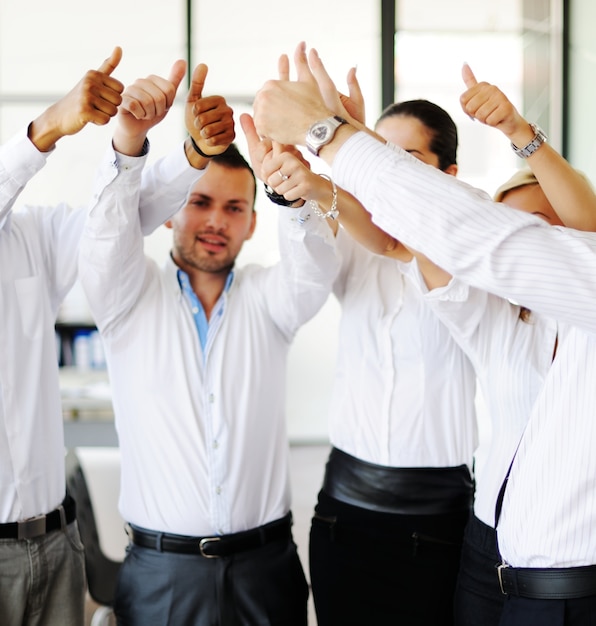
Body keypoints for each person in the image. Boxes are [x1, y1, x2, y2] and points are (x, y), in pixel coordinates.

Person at [252, 42, 596, 626]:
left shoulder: (536, 292)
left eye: (406, 160)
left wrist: (336, 134)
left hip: (482, 535)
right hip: (442, 540)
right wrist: (311, 179)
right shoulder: (491, 322)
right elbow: (370, 240)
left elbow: (441, 232)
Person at [78, 56, 341, 626]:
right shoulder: (127, 297)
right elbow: (104, 236)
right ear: (173, 210)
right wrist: (129, 141)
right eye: (199, 202)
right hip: (160, 574)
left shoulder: (270, 300)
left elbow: (315, 269)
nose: (216, 221)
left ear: (251, 221)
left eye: (233, 208)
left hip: (265, 569)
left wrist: (293, 199)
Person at [243, 72, 477, 624]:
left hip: (438, 518)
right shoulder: (349, 231)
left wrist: (333, 158)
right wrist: (292, 184)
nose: (391, 174)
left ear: (450, 174)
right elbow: (311, 251)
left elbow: (405, 242)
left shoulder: (469, 237)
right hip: (343, 514)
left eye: (408, 160)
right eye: (380, 157)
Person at [0, 48, 209, 626]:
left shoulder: (31, 235)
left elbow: (117, 219)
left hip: (56, 547)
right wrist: (46, 128)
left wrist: (148, 145)